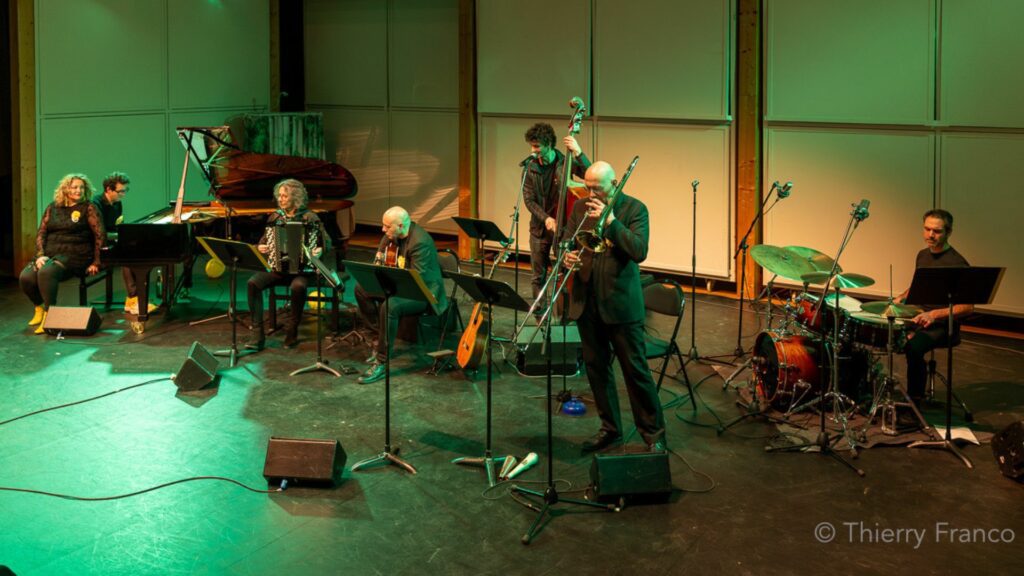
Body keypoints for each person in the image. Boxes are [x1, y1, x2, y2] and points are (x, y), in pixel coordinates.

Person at [562, 161, 665, 452]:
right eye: (588, 187)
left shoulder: (634, 209)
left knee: (635, 372)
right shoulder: (580, 207)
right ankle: (610, 429)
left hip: (620, 305)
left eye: (599, 188)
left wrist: (611, 223)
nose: (592, 193)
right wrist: (569, 257)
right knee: (597, 370)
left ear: (615, 183)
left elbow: (638, 250)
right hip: (587, 303)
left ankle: (653, 434)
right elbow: (570, 242)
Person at [355, 206, 447, 384]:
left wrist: (391, 284)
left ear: (401, 225)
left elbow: (417, 281)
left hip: (423, 293)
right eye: (383, 225)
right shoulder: (391, 235)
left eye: (387, 226)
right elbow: (379, 260)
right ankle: (377, 339)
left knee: (390, 306)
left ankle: (382, 362)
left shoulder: (421, 242)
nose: (383, 230)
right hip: (399, 285)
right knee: (361, 288)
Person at [899, 209, 973, 411]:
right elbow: (918, 286)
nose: (930, 235)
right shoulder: (922, 256)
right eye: (927, 229)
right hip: (919, 317)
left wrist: (933, 314)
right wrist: (899, 299)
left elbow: (967, 307)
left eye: (937, 231)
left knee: (913, 348)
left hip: (943, 326)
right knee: (879, 333)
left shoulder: (957, 263)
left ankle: (915, 401)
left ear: (948, 232)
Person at [245, 179, 330, 350]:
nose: (281, 199)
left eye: (285, 196)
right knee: (253, 283)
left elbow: (327, 242)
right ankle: (257, 334)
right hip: (279, 269)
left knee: (297, 287)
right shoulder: (275, 217)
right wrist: (260, 246)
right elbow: (263, 241)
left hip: (302, 271)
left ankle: (292, 329)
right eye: (280, 196)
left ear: (295, 198)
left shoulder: (310, 217)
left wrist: (320, 250)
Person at [20, 174, 104, 334]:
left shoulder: (89, 208)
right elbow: (41, 233)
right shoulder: (53, 207)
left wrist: (97, 262)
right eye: (74, 187)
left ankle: (49, 315)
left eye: (81, 187)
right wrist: (40, 255)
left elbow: (100, 235)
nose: (78, 190)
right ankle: (38, 308)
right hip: (51, 254)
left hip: (76, 254)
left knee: (46, 272)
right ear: (65, 189)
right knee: (26, 277)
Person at [522, 122, 590, 304]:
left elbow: (590, 174)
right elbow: (529, 200)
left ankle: (564, 312)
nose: (532, 150)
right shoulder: (530, 168)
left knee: (564, 273)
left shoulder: (565, 162)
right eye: (531, 145)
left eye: (537, 146)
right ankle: (539, 317)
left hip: (564, 229)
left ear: (549, 145)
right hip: (539, 230)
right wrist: (545, 218)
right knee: (538, 277)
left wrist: (578, 152)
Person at [92, 172, 156, 315]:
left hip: (109, 239)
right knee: (127, 257)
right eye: (121, 191)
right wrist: (122, 236)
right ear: (108, 189)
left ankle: (136, 297)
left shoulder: (117, 204)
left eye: (126, 191)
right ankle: (133, 298)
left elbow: (116, 227)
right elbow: (99, 233)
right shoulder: (96, 203)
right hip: (96, 244)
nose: (124, 195)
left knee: (136, 250)